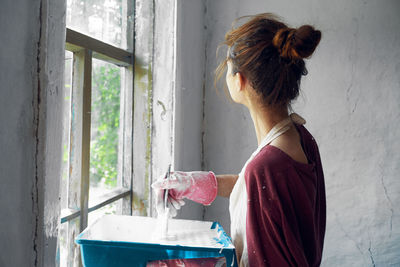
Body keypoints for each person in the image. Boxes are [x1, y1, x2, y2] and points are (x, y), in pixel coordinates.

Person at [151, 13, 326, 267]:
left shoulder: (267, 166)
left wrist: (191, 265)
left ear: (240, 80)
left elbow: (262, 186)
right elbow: (263, 194)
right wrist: (193, 183)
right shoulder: (297, 137)